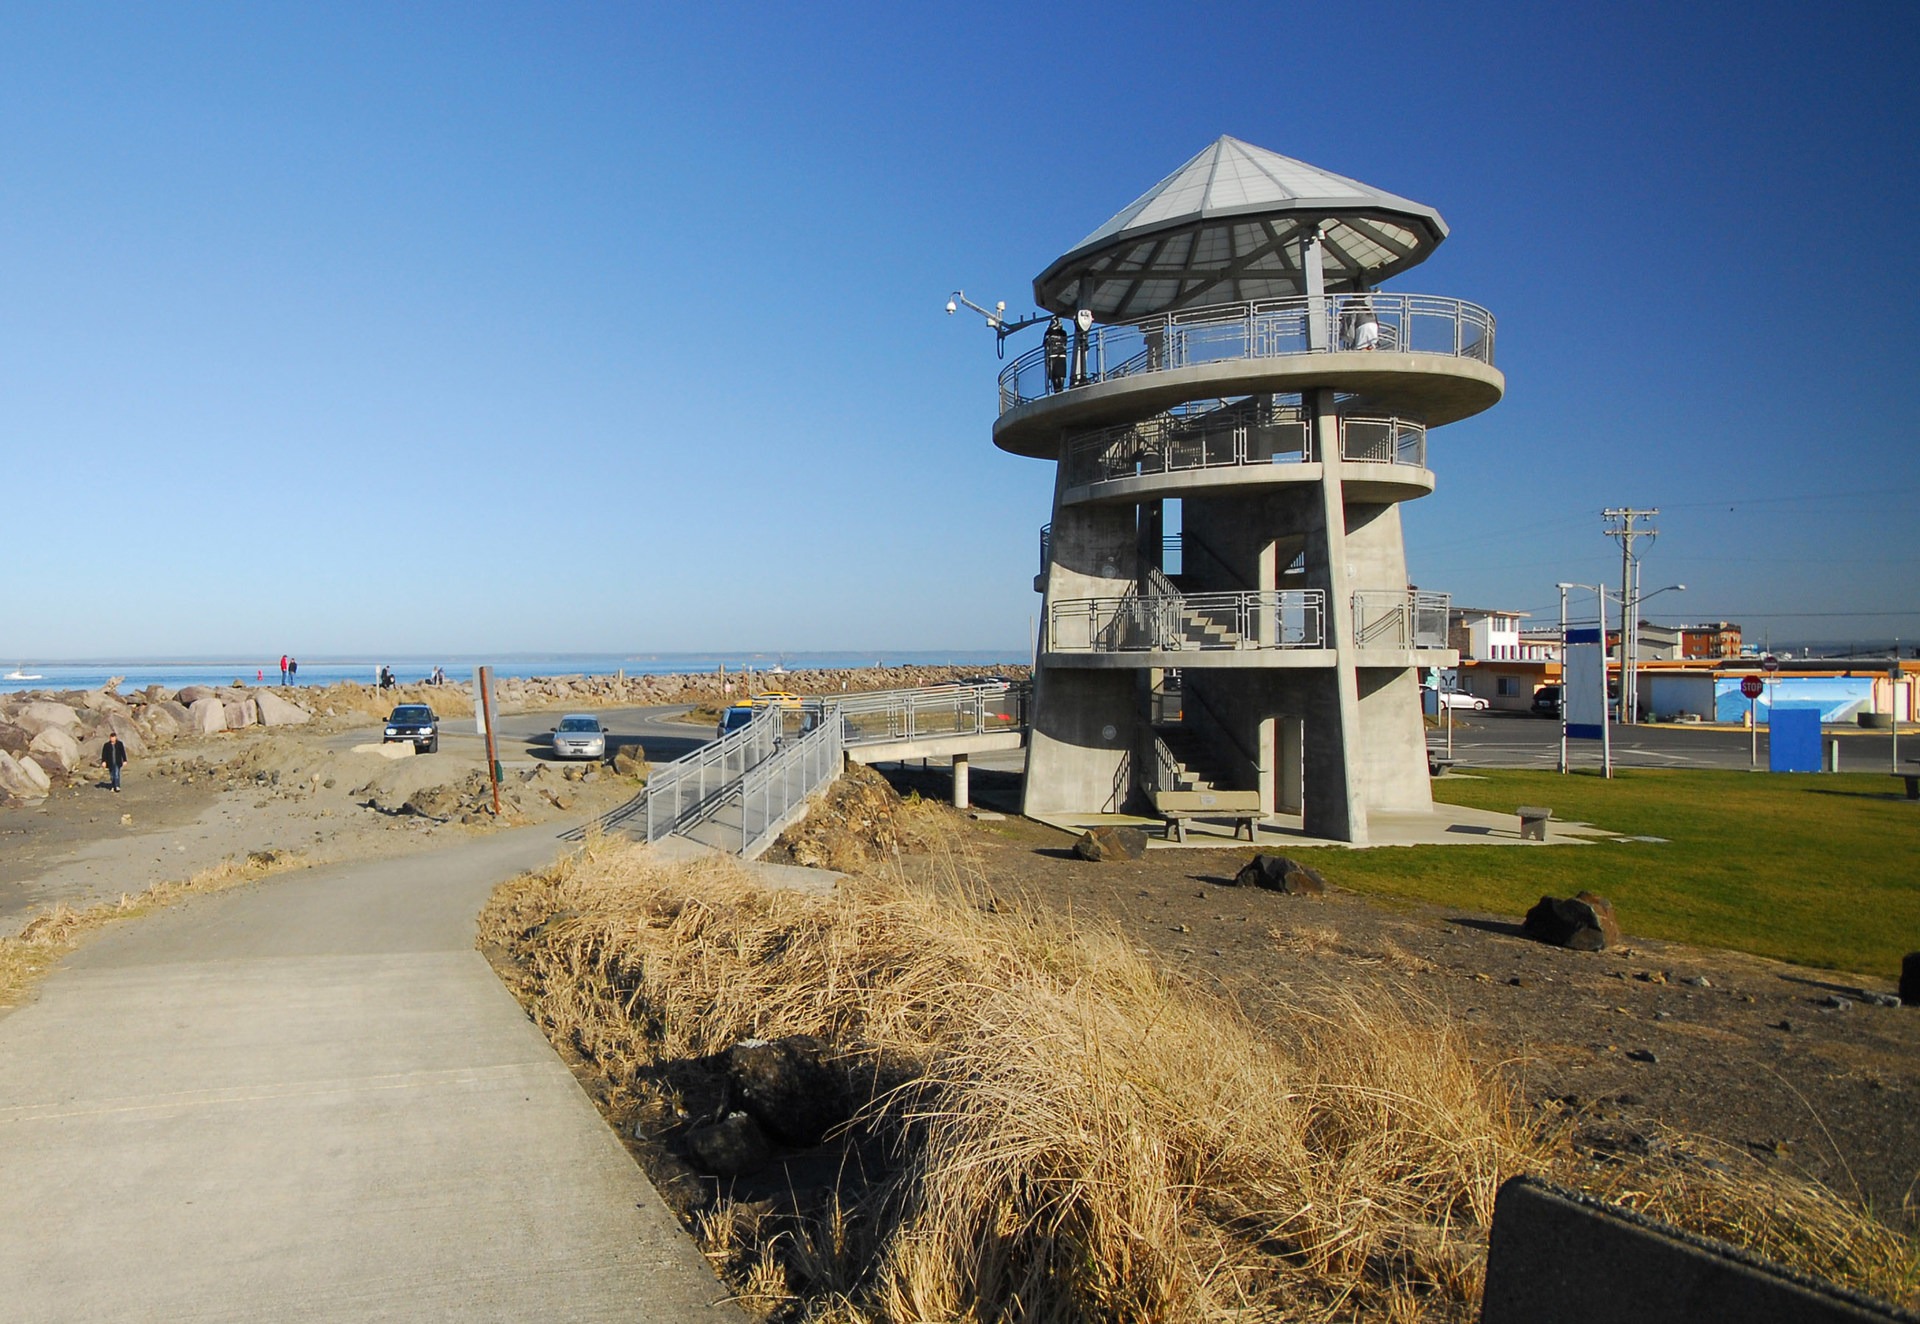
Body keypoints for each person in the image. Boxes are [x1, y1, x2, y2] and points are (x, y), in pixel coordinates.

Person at [1043, 316, 1068, 393]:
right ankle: (1059, 389)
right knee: (1059, 375)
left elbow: (1045, 343)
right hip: (1060, 355)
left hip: (1054, 355)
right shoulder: (1063, 333)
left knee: (1056, 375)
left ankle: (1057, 390)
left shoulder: (1048, 332)